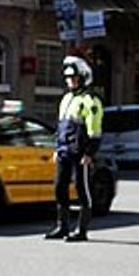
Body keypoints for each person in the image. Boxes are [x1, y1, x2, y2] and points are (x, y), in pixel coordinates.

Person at [46, 55, 104, 242]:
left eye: (74, 78)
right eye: (68, 78)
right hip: (64, 150)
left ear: (84, 78)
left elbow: (94, 130)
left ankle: (81, 230)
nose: (70, 81)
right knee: (59, 188)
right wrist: (57, 147)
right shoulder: (66, 99)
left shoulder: (90, 100)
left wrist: (89, 153)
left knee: (82, 190)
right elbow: (61, 126)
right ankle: (62, 226)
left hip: (80, 153)